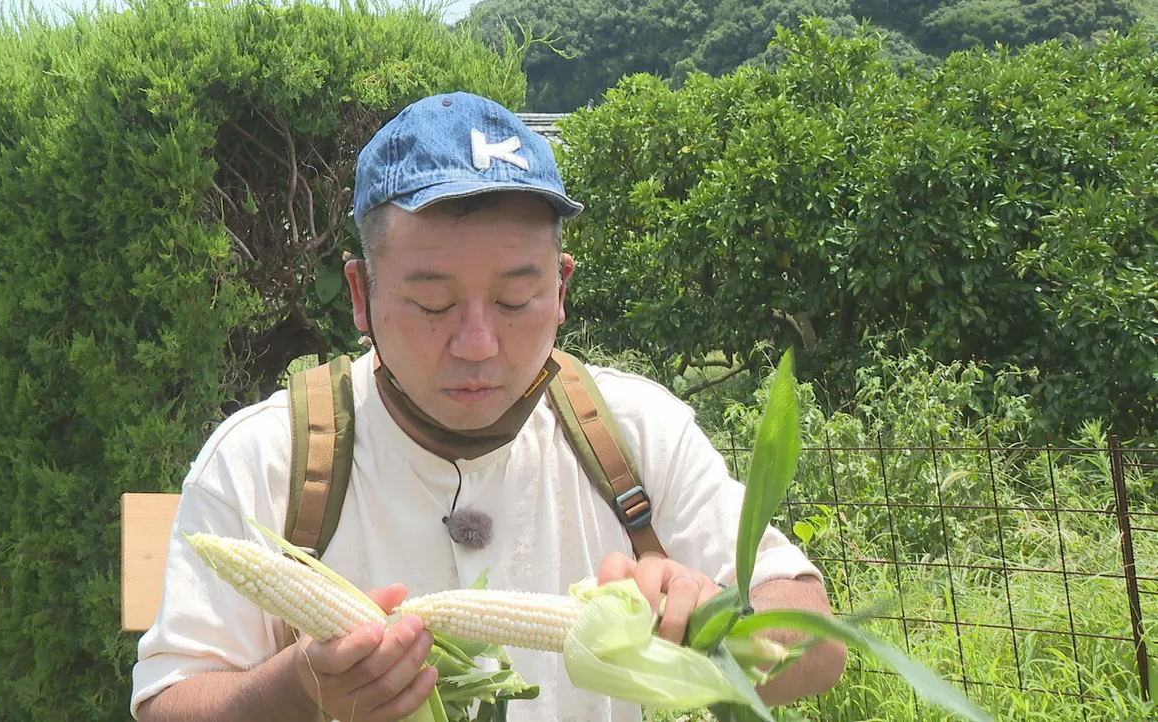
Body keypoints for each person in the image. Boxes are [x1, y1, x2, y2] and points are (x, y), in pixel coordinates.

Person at [131, 91, 846, 722]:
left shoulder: (634, 432)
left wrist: (718, 621)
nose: (477, 344)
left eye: (514, 300)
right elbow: (170, 697)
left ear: (561, 289)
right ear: (361, 294)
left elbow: (820, 645)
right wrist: (294, 694)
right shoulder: (267, 459)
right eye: (431, 303)